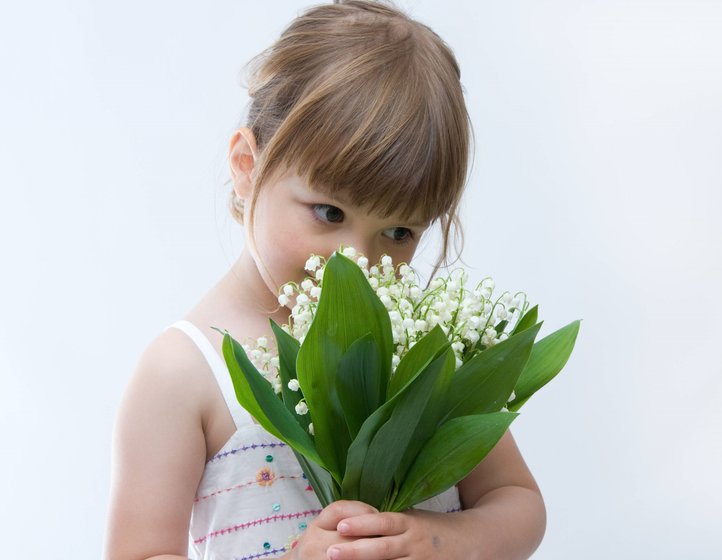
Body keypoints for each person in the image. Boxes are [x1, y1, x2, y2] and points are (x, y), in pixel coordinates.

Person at [104, 1, 546, 558]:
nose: (356, 262)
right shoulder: (185, 372)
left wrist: (440, 540)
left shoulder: (420, 344)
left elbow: (517, 499)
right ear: (247, 166)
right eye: (330, 214)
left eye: (400, 232)